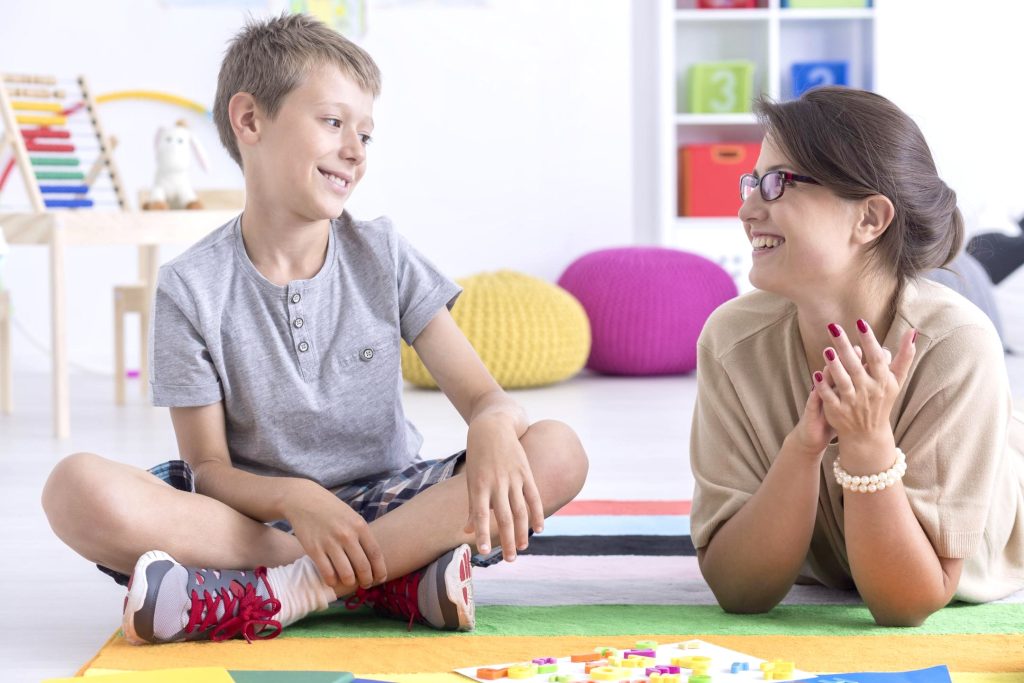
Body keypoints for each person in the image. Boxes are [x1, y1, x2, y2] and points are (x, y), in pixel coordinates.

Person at [41, 13, 588, 645]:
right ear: (250, 121)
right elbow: (209, 468)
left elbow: (485, 397)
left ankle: (286, 593)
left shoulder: (383, 253)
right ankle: (394, 581)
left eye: (365, 133)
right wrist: (294, 499)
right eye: (333, 123)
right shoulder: (190, 287)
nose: (355, 150)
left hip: (393, 502)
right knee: (74, 488)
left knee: (555, 448)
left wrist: (493, 426)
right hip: (255, 522)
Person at [689, 86, 1024, 626]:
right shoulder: (731, 341)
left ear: (869, 218)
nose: (747, 208)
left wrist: (868, 444)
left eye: (777, 184)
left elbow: (907, 603)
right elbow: (739, 591)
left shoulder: (957, 344)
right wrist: (803, 448)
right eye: (752, 182)